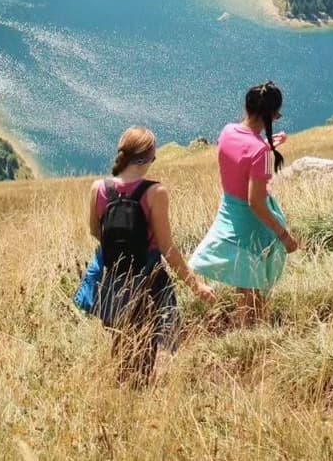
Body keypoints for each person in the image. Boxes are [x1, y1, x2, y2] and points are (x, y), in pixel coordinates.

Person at [88, 126, 215, 382]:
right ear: (146, 159)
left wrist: (120, 248)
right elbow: (167, 248)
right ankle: (137, 391)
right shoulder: (156, 193)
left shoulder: (98, 188)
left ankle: (120, 389)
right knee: (146, 344)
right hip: (148, 278)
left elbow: (94, 231)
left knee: (121, 339)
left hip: (114, 280)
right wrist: (196, 286)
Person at [190, 81, 299, 326]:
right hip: (253, 225)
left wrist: (266, 145)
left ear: (247, 107)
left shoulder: (227, 131)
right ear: (274, 115)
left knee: (244, 281)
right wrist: (284, 235)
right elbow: (256, 202)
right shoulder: (264, 154)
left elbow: (242, 156)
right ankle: (252, 336)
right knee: (255, 294)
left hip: (229, 212)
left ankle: (247, 331)